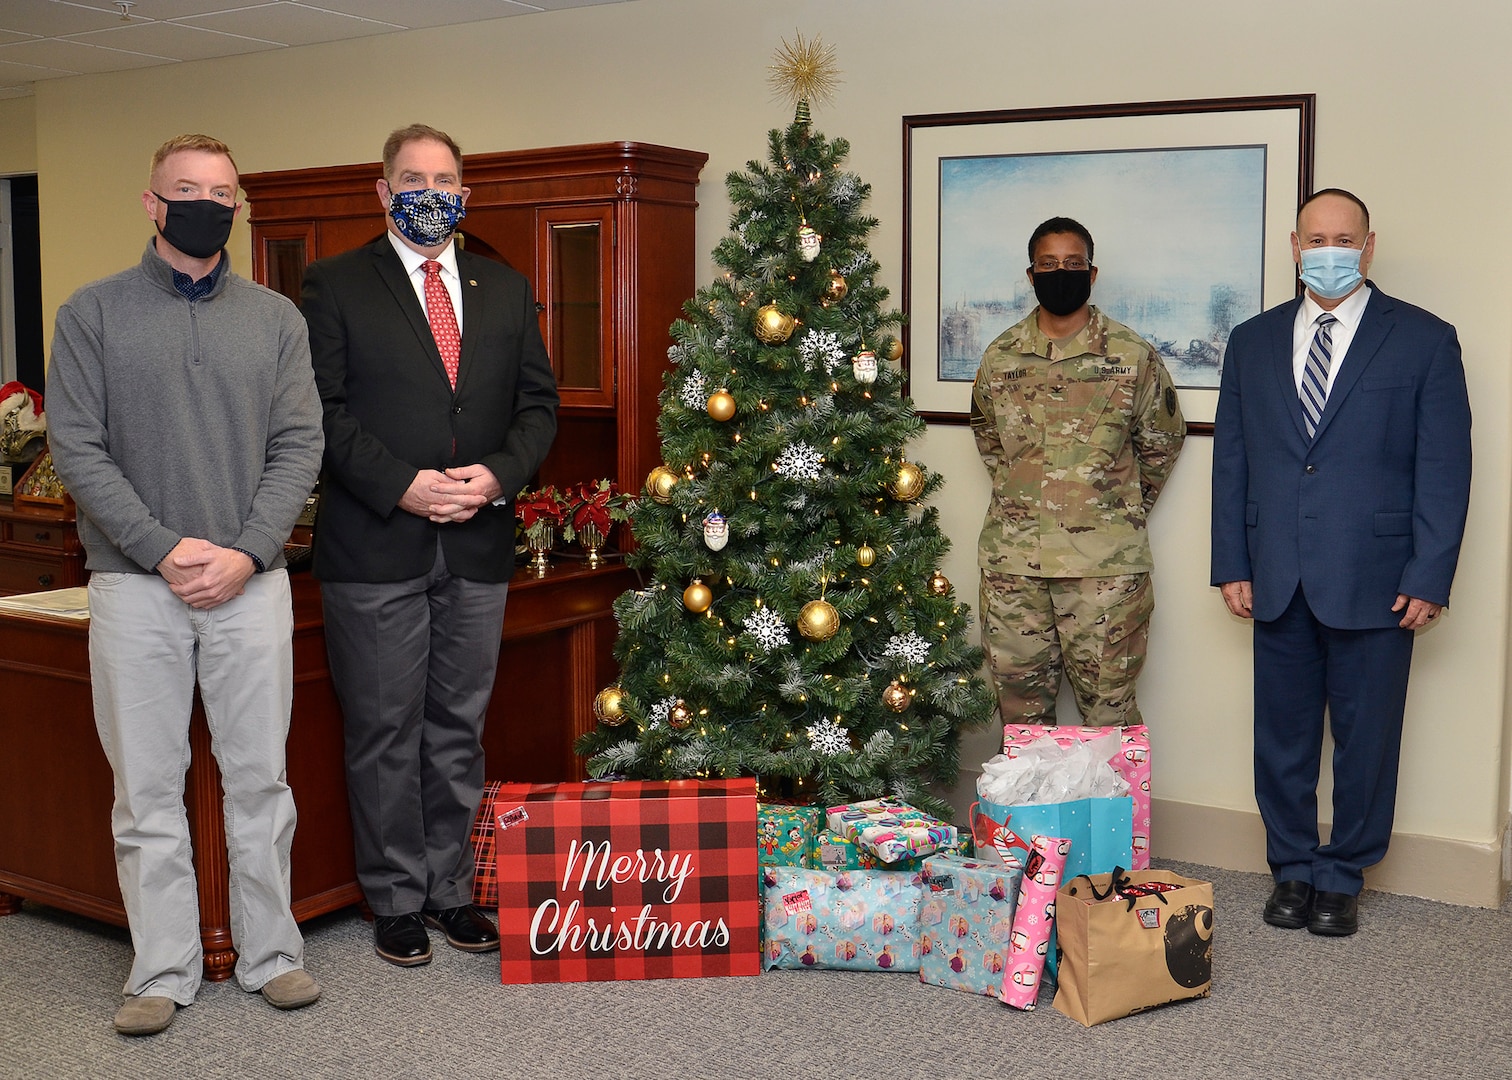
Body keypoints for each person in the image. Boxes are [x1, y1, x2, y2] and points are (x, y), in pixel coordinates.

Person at [46, 134, 325, 1035]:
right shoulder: (92, 314)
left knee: (260, 782)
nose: (207, 202)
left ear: (236, 204)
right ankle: (161, 970)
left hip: (253, 585)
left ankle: (271, 954)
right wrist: (164, 548)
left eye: (222, 190)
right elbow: (76, 450)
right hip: (133, 587)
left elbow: (299, 446)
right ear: (153, 201)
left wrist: (245, 552)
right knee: (148, 790)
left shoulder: (277, 317)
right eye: (187, 189)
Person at [301, 124, 558, 967]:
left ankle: (451, 890)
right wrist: (403, 484)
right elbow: (322, 412)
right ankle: (395, 898)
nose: (431, 191)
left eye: (445, 178)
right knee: (383, 727)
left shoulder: (507, 288)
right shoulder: (335, 284)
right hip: (376, 543)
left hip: (478, 543)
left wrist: (495, 476)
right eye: (413, 178)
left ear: (466, 193)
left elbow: (537, 408)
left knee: (457, 726)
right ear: (382, 191)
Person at [1211, 188, 1472, 937]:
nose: (1330, 250)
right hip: (1276, 571)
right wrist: (1232, 559)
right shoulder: (1252, 342)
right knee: (1282, 738)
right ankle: (1291, 868)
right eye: (1316, 237)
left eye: (1345, 238)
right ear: (1295, 246)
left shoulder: (1424, 339)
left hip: (1380, 578)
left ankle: (1343, 873)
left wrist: (1429, 573)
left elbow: (1446, 468)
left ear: (1369, 245)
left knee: (1368, 739)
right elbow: (1233, 460)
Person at [971, 216, 1185, 728]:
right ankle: (1027, 813)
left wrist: (1107, 510)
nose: (1060, 273)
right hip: (1014, 570)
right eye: (1048, 265)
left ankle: (1113, 812)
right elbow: (989, 437)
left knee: (1109, 720)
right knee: (1021, 722)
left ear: (1092, 274)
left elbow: (1161, 444)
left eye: (1072, 264)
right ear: (1031, 274)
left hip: (1106, 574)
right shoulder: (1000, 356)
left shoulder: (1132, 356)